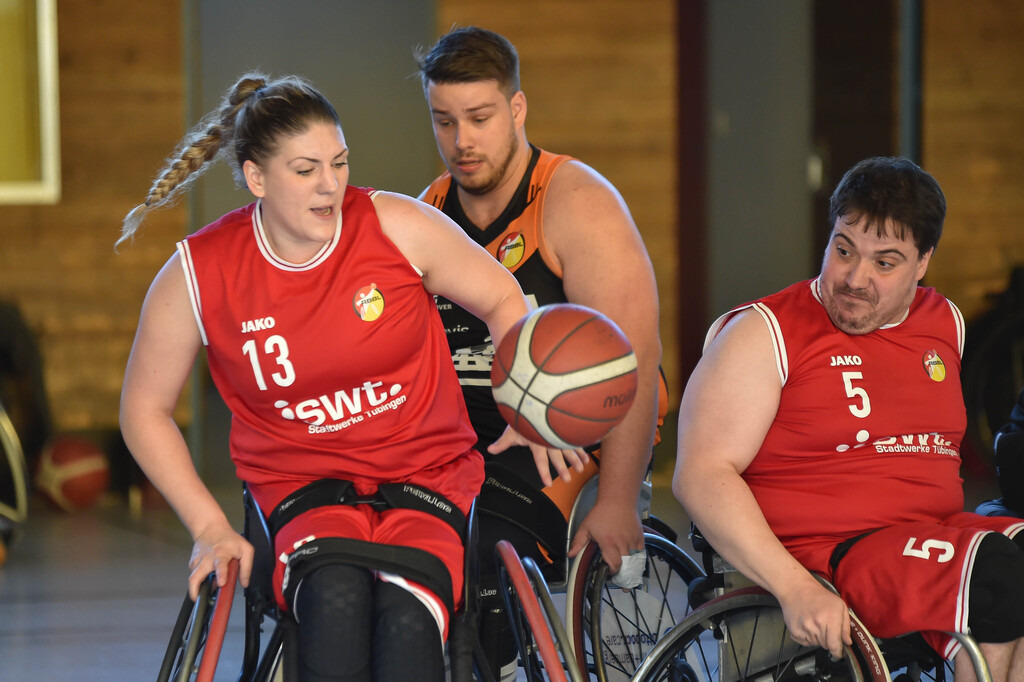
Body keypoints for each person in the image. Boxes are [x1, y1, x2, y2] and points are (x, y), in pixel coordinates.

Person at [117, 72, 530, 682]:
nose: (330, 185)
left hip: (426, 475)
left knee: (407, 626)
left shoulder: (394, 226)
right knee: (333, 611)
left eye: (338, 163)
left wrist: (524, 405)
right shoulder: (200, 272)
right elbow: (143, 410)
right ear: (256, 177)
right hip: (301, 487)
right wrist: (209, 528)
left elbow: (505, 300)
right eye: (306, 169)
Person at [673, 156, 1024, 682]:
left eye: (885, 263)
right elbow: (699, 475)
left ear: (922, 262)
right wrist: (794, 586)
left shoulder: (944, 322)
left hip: (929, 536)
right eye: (843, 250)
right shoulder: (762, 333)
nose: (854, 278)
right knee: (997, 579)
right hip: (833, 553)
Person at [414, 26, 665, 678]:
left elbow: (636, 365)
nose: (461, 140)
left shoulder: (577, 204)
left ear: (517, 109)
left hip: (569, 444)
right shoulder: (428, 213)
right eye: (444, 121)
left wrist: (616, 501)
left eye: (479, 118)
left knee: (478, 560)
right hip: (462, 446)